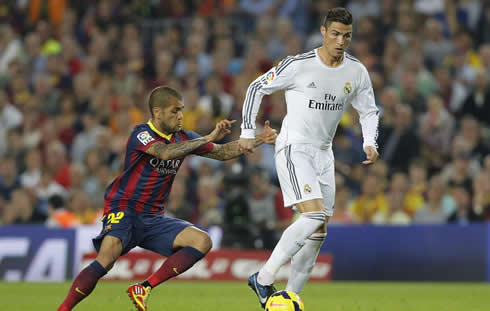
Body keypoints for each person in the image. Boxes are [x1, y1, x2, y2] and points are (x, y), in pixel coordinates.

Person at [57, 86, 277, 311]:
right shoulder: (141, 134)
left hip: (153, 217)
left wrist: (259, 139)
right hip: (124, 207)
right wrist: (208, 137)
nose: (180, 115)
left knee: (202, 241)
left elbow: (221, 152)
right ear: (158, 112)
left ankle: (144, 287)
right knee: (107, 257)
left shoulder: (186, 137)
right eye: (174, 111)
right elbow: (165, 153)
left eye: (181, 110)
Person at [238, 7, 379, 308]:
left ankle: (290, 297)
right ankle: (262, 278)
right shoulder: (299, 65)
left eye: (347, 36)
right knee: (312, 216)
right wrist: (247, 132)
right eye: (336, 34)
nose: (341, 41)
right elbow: (255, 87)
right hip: (294, 147)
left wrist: (370, 140)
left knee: (319, 230)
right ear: (323, 32)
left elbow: (368, 109)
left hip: (323, 154)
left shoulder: (356, 71)